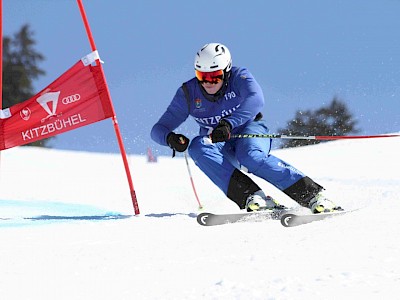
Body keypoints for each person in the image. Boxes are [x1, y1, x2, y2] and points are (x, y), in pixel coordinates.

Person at [151, 43, 342, 213]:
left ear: (226, 72)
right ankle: (252, 196)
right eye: (202, 76)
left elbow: (256, 100)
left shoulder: (239, 77)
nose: (208, 83)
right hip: (218, 142)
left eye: (215, 77)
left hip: (249, 130)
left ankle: (313, 196)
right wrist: (170, 138)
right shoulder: (188, 92)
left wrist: (228, 123)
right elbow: (158, 128)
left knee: (250, 156)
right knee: (197, 146)